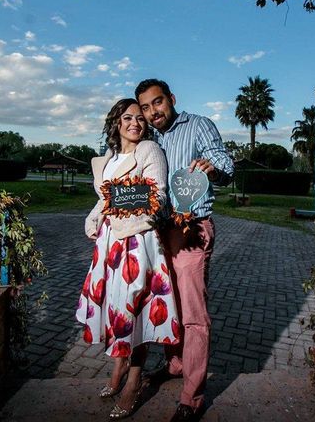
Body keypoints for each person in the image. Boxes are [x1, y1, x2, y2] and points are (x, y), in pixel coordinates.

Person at [135, 79, 234, 422]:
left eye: (157, 102)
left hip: (191, 230)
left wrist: (212, 166)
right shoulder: (150, 140)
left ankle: (192, 399)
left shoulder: (198, 126)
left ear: (171, 99)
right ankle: (175, 364)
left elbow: (226, 163)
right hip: (158, 232)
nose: (152, 112)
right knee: (167, 304)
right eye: (146, 107)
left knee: (193, 314)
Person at [76, 98, 180, 420]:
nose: (135, 122)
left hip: (137, 242)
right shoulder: (110, 157)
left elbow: (158, 196)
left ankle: (134, 380)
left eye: (140, 118)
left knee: (135, 309)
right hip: (109, 244)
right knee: (115, 308)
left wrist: (123, 215)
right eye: (128, 117)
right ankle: (118, 367)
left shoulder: (148, 150)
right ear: (117, 122)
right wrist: (94, 217)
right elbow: (105, 198)